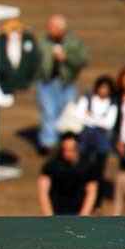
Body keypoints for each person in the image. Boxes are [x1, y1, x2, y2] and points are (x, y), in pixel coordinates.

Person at [37, 15, 88, 152]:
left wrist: (66, 58)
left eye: (53, 26)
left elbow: (82, 60)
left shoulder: (73, 42)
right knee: (48, 112)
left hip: (66, 82)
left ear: (61, 28)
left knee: (66, 112)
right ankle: (49, 144)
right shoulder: (44, 41)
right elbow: (36, 59)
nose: (49, 29)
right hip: (47, 82)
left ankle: (64, 143)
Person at [37, 132, 99, 216]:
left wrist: (83, 216)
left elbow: (92, 191)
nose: (68, 153)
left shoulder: (87, 166)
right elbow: (43, 192)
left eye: (71, 150)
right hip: (57, 214)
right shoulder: (51, 167)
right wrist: (49, 217)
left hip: (78, 214)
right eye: (65, 150)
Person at [76, 75, 118, 189]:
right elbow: (79, 116)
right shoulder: (88, 98)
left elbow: (108, 124)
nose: (103, 90)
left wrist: (91, 117)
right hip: (85, 136)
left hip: (102, 139)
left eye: (106, 88)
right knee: (83, 164)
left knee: (99, 167)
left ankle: (97, 194)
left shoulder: (112, 103)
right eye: (101, 87)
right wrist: (99, 120)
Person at [0, 18, 40, 96]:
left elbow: (34, 60)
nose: (14, 32)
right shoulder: (0, 41)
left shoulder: (28, 40)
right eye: (11, 30)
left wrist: (30, 79)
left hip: (24, 83)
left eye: (16, 29)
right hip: (5, 84)